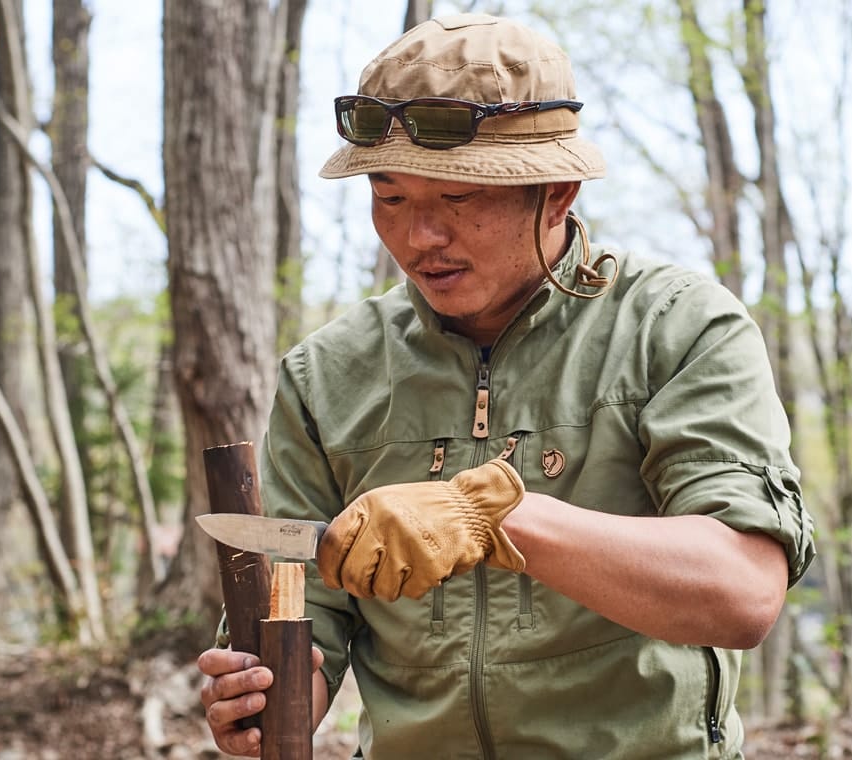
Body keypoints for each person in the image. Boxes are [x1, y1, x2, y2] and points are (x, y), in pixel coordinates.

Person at [198, 12, 815, 759]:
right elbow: (310, 613)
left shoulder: (675, 328)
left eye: (456, 200)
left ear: (557, 193)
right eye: (390, 198)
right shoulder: (328, 373)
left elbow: (742, 591)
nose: (419, 237)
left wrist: (492, 519)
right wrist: (262, 701)